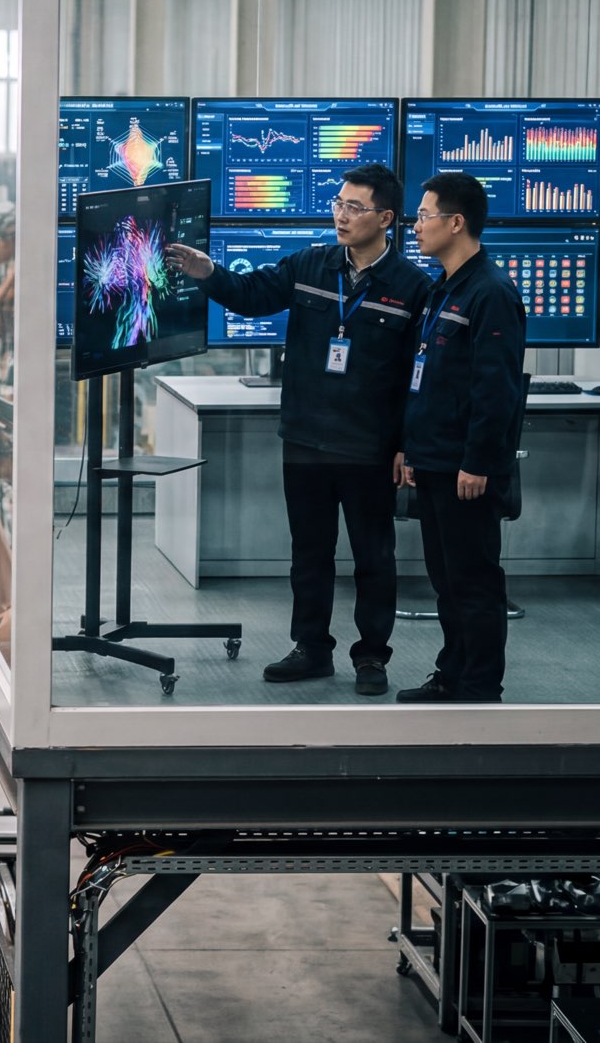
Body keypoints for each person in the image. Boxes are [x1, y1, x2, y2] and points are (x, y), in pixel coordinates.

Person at [164, 164, 429, 696]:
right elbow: (253, 294)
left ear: (386, 217)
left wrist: (408, 445)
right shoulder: (311, 264)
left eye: (355, 207)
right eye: (338, 203)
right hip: (306, 438)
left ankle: (372, 657)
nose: (341, 215)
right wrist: (208, 272)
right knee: (310, 554)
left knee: (373, 557)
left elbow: (417, 378)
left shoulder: (413, 287)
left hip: (368, 446)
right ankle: (311, 648)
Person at [395, 172, 527, 704]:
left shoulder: (490, 292)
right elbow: (424, 377)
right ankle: (451, 673)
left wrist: (478, 463)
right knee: (446, 582)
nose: (417, 226)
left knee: (474, 582)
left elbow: (496, 391)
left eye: (425, 216)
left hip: (465, 469)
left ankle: (479, 688)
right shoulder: (442, 288)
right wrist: (409, 447)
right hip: (433, 460)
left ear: (456, 222)